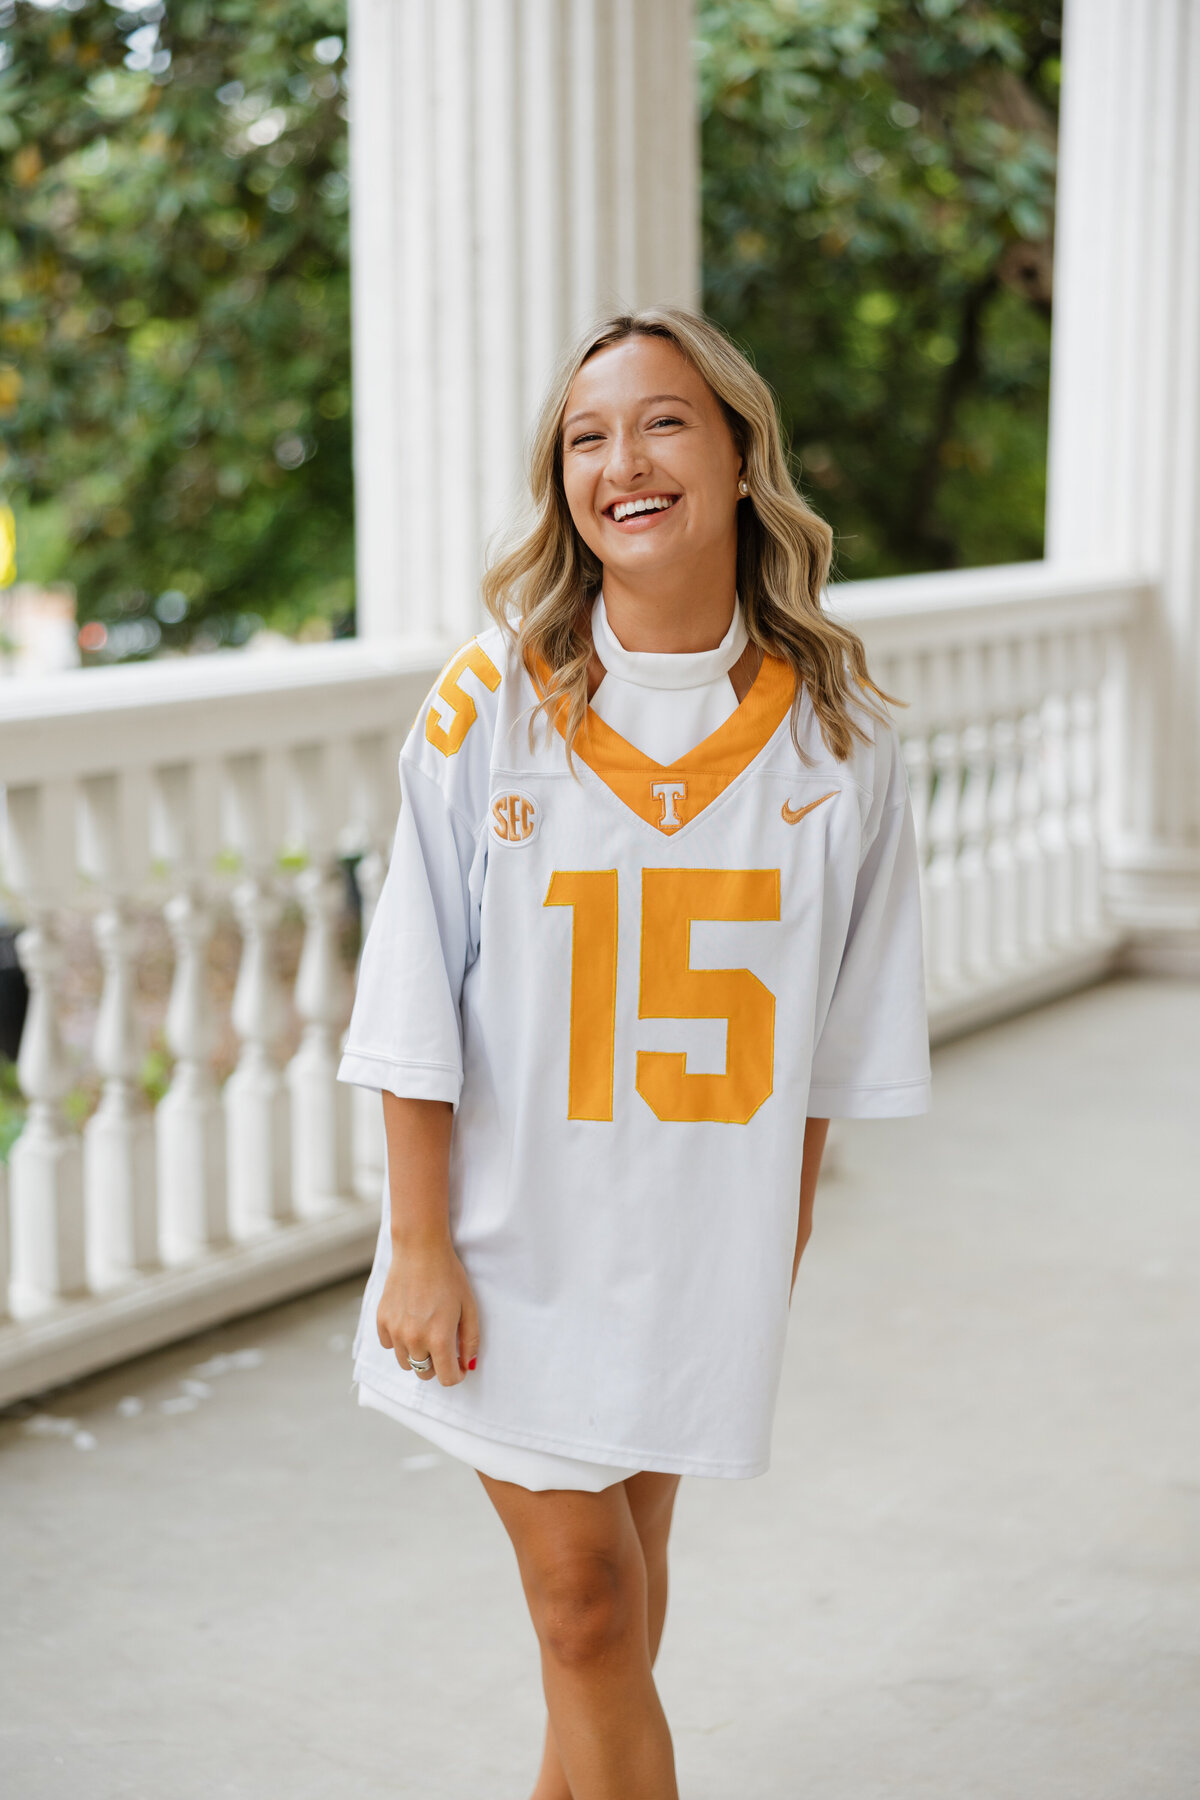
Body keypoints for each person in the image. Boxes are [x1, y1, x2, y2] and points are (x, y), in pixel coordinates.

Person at [337, 306, 932, 1800]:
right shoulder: (492, 703)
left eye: (665, 421)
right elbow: (415, 980)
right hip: (502, 1242)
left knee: (617, 1614)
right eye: (588, 437)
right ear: (565, 486)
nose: (625, 461)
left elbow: (834, 1054)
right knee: (586, 1606)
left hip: (693, 1250)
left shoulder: (843, 740)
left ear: (739, 456)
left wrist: (769, 1252)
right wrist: (418, 1243)